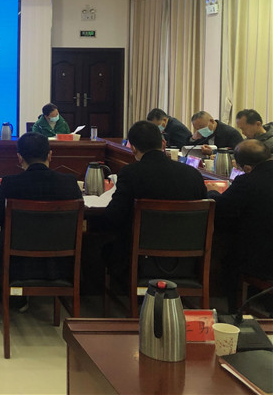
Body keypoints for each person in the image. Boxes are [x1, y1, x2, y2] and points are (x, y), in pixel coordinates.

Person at [104, 120, 207, 282]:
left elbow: (114, 216)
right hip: (187, 260)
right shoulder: (192, 174)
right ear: (163, 143)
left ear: (133, 148)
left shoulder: (131, 173)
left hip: (140, 260)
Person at [0, 132, 82, 310]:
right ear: (50, 155)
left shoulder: (10, 183)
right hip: (60, 264)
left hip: (17, 263)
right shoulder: (69, 182)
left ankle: (13, 299)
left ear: (19, 157)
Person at [208, 140, 273, 312]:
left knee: (228, 255)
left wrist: (212, 192)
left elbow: (222, 208)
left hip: (262, 261)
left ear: (247, 168)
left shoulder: (247, 182)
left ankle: (234, 312)